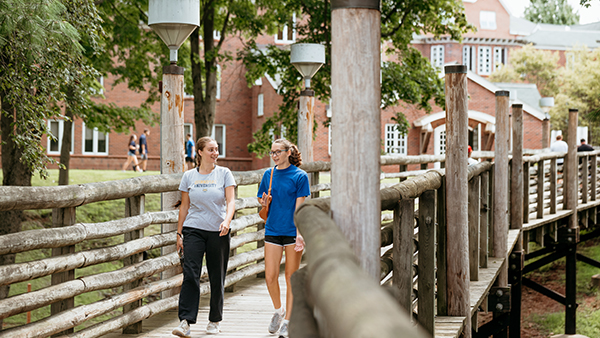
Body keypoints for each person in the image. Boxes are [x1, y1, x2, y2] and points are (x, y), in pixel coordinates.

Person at [172, 137, 236, 337]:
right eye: (211, 149)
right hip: (193, 229)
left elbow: (231, 201)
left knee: (217, 275)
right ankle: (185, 322)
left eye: (217, 149)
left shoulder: (224, 174)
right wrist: (179, 233)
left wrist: (227, 221)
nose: (215, 153)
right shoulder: (189, 176)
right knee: (191, 273)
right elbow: (184, 207)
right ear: (200, 152)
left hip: (219, 230)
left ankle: (214, 320)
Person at [257, 139, 310, 338]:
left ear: (288, 152)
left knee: (290, 277)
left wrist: (299, 234)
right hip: (272, 229)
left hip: (291, 231)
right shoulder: (268, 175)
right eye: (272, 152)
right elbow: (261, 199)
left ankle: (288, 321)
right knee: (270, 276)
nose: (274, 156)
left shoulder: (300, 176)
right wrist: (263, 201)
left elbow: (300, 207)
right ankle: (279, 311)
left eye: (278, 152)